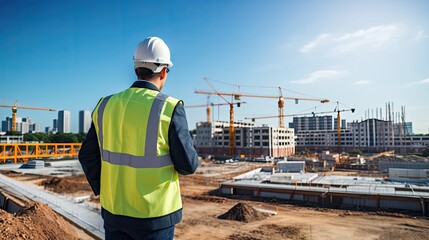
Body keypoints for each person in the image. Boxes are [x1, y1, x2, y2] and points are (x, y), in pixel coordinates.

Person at [79, 36, 199, 240]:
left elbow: (87, 155)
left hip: (114, 213)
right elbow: (188, 165)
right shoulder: (168, 107)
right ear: (163, 71)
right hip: (154, 217)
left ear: (136, 69)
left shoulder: (105, 105)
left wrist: (106, 190)